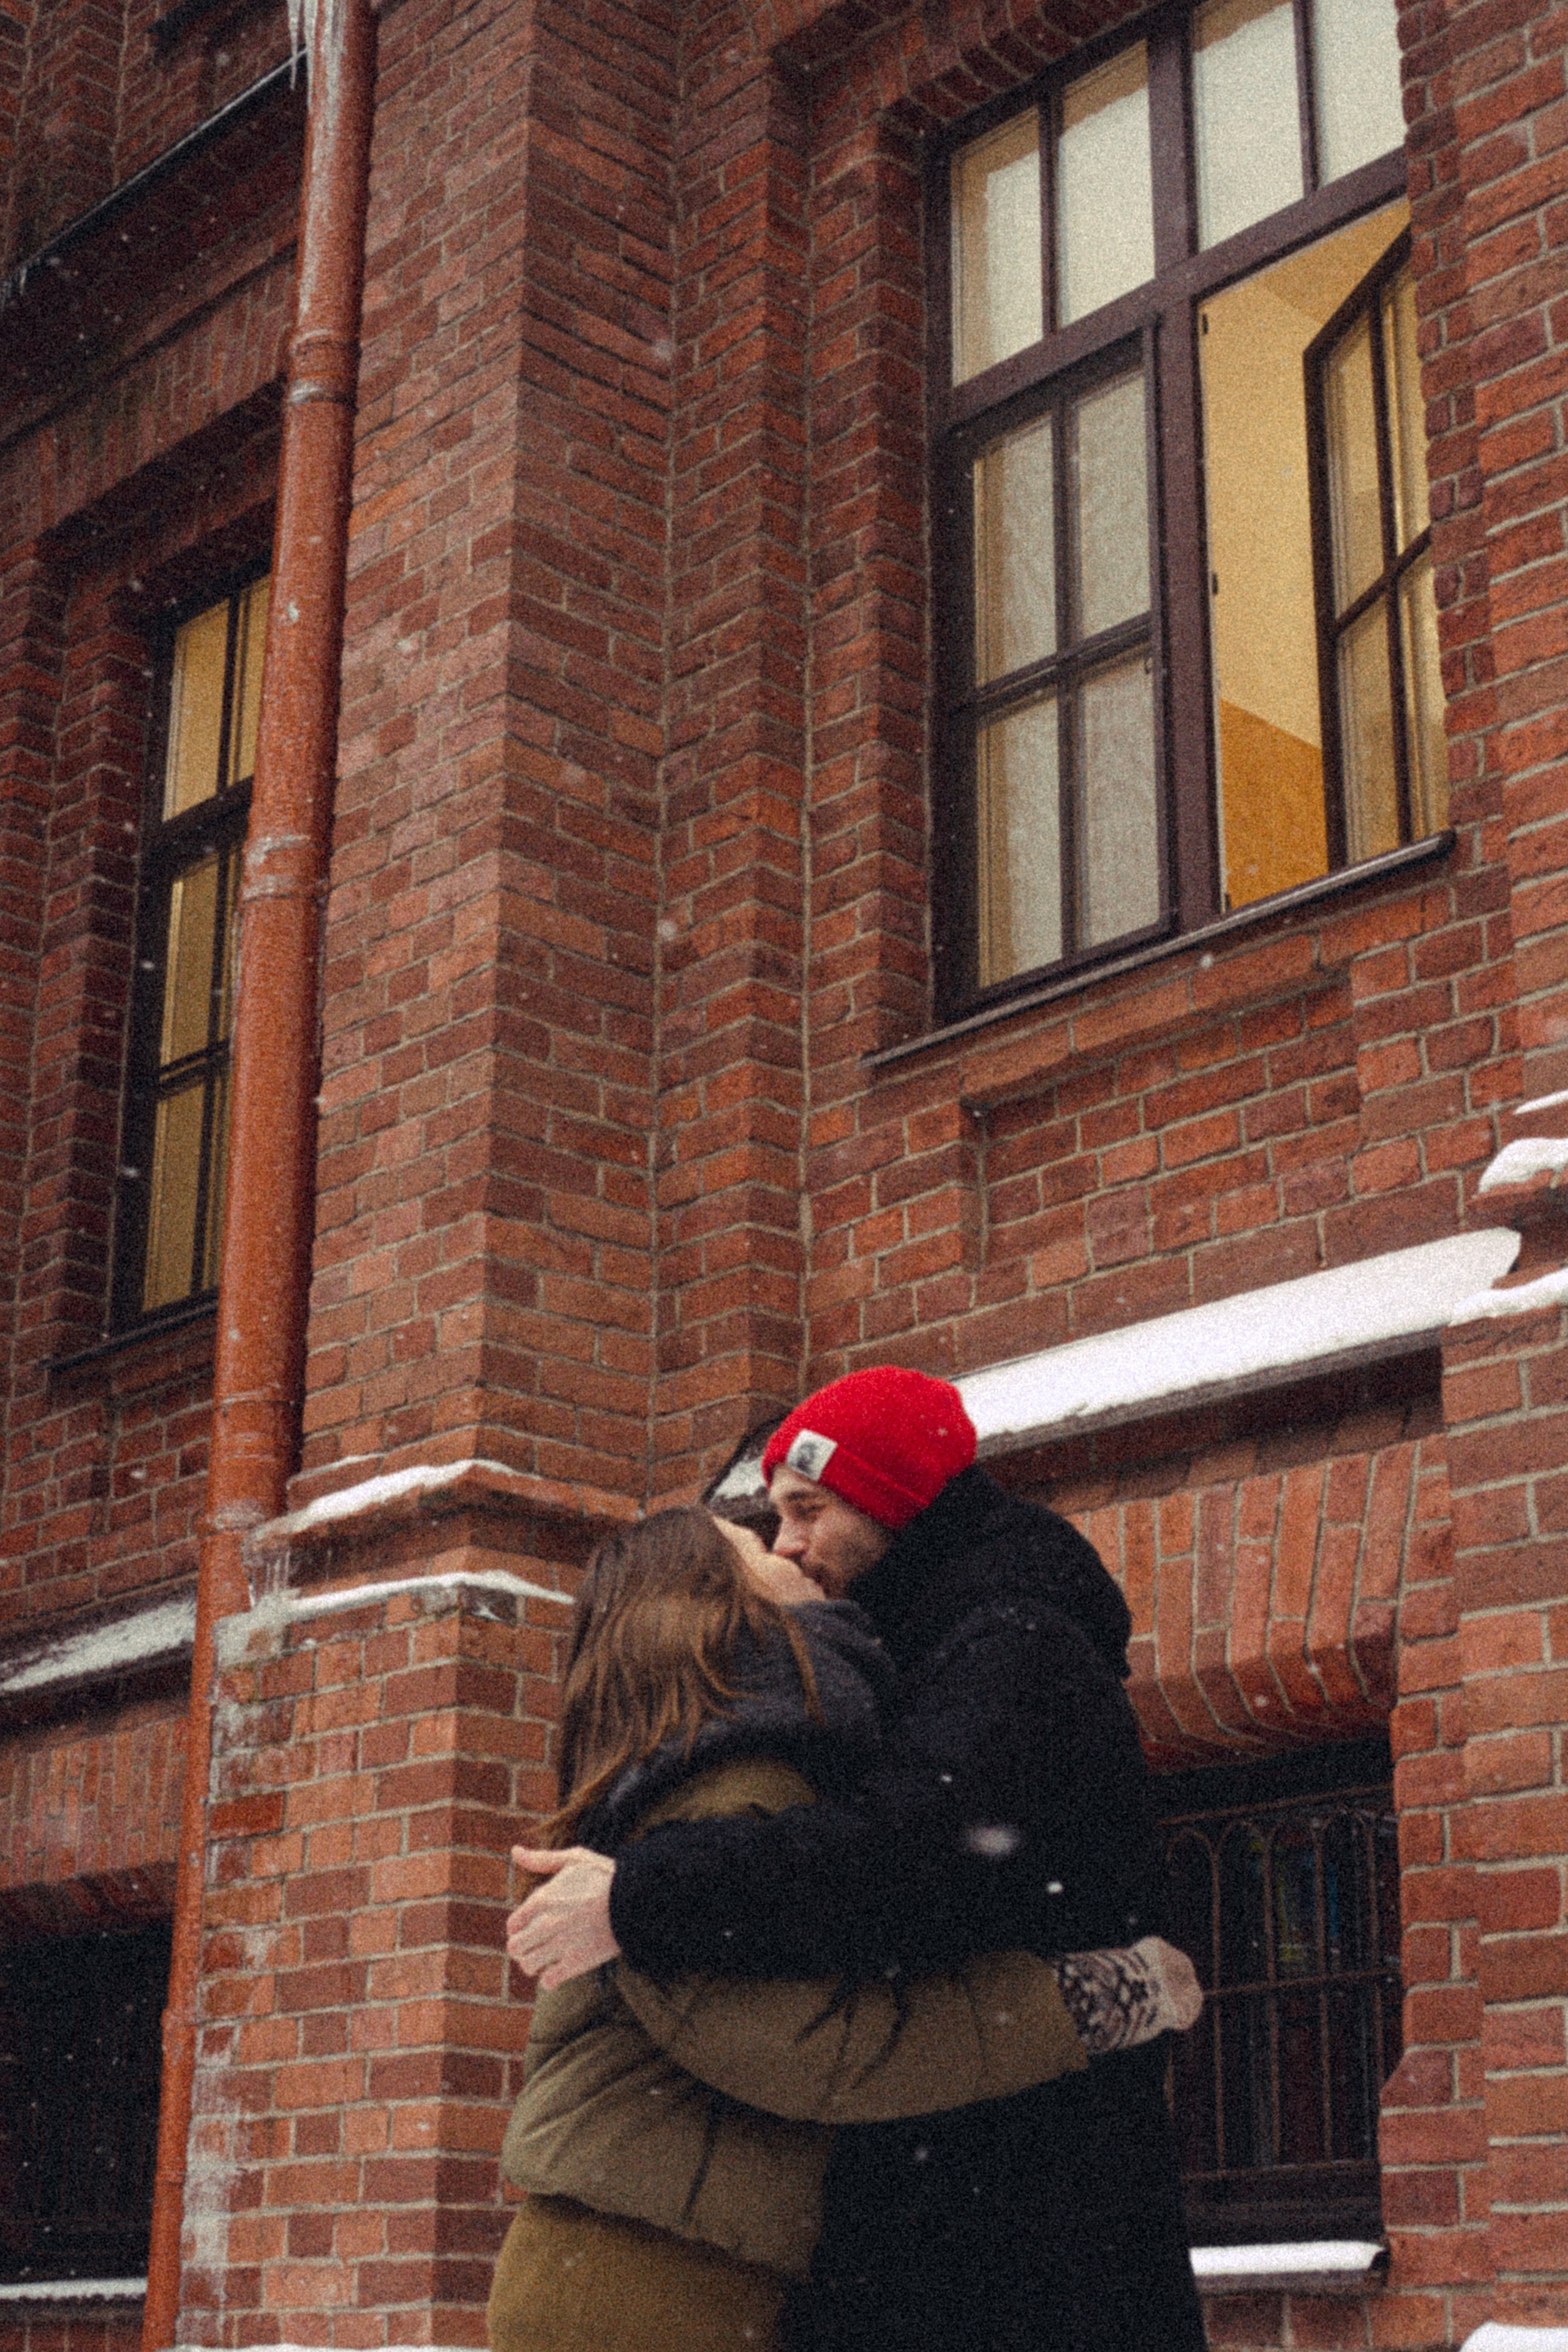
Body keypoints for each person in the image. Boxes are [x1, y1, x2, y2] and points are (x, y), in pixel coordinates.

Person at [510, 1369, 1209, 2352]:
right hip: (946, 2205)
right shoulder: (885, 1671)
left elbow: (913, 1857)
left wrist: (644, 1893)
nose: (788, 1542)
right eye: (772, 1523)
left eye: (808, 1509)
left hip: (1019, 2216)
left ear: (896, 1502)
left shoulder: (1008, 1643)